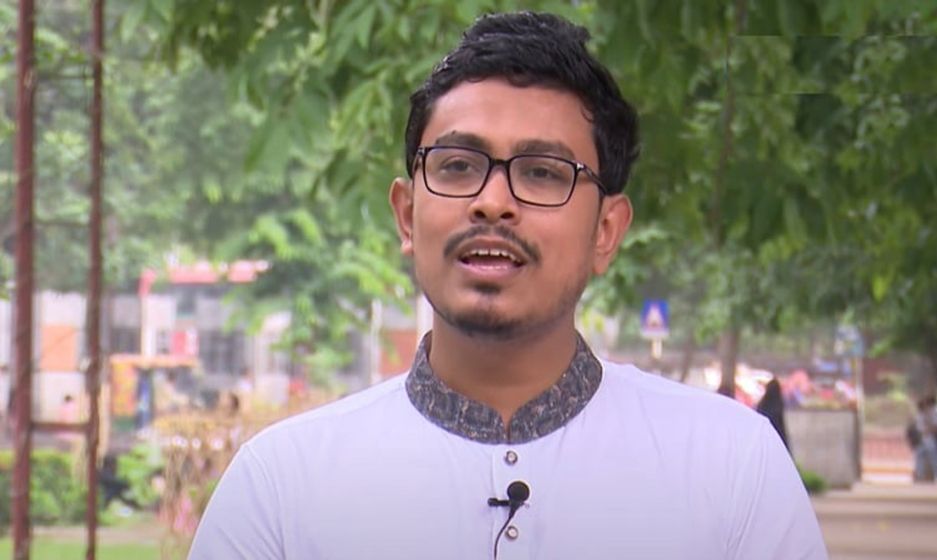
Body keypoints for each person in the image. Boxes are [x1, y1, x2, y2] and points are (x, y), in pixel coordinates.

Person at [189, 12, 827, 559]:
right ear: (407, 216)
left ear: (606, 231)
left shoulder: (731, 464)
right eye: (458, 166)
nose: (492, 202)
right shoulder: (280, 486)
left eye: (543, 173)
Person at [756, 377, 791, 453]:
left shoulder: (761, 405)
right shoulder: (778, 404)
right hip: (776, 440)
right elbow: (780, 428)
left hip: (762, 441)